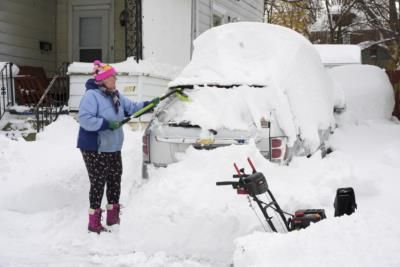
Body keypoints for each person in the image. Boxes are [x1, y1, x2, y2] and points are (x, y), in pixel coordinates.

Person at [77, 60, 159, 233]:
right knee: (98, 183)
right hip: (95, 147)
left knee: (115, 180)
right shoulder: (92, 96)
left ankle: (113, 218)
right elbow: (85, 119)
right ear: (103, 79)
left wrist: (151, 104)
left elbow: (132, 108)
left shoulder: (115, 95)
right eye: (112, 76)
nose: (115, 78)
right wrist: (107, 124)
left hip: (113, 147)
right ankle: (94, 223)